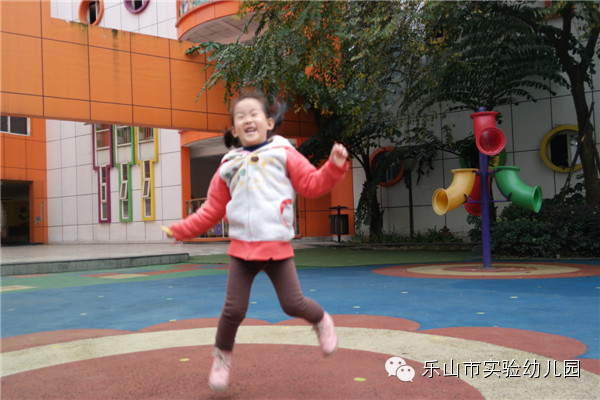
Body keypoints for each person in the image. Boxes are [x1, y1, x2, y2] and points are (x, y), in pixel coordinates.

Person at [166, 92, 349, 391]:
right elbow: (211, 209)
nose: (248, 119)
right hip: (242, 251)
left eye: (254, 114)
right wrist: (182, 230)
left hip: (277, 247)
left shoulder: (284, 153)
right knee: (233, 310)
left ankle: (321, 320)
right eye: (240, 116)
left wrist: (334, 167)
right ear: (234, 129)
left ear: (269, 122)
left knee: (293, 304)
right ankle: (222, 357)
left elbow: (312, 185)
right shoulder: (229, 164)